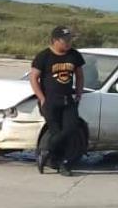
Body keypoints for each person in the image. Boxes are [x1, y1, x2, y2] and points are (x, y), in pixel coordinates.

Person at [30, 26, 85, 176]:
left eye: (70, 40)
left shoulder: (74, 55)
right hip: (50, 101)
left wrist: (79, 93)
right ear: (55, 40)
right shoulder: (44, 56)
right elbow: (33, 77)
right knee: (56, 132)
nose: (68, 43)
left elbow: (79, 75)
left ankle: (46, 152)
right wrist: (42, 98)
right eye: (65, 40)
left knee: (71, 129)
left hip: (68, 99)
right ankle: (62, 164)